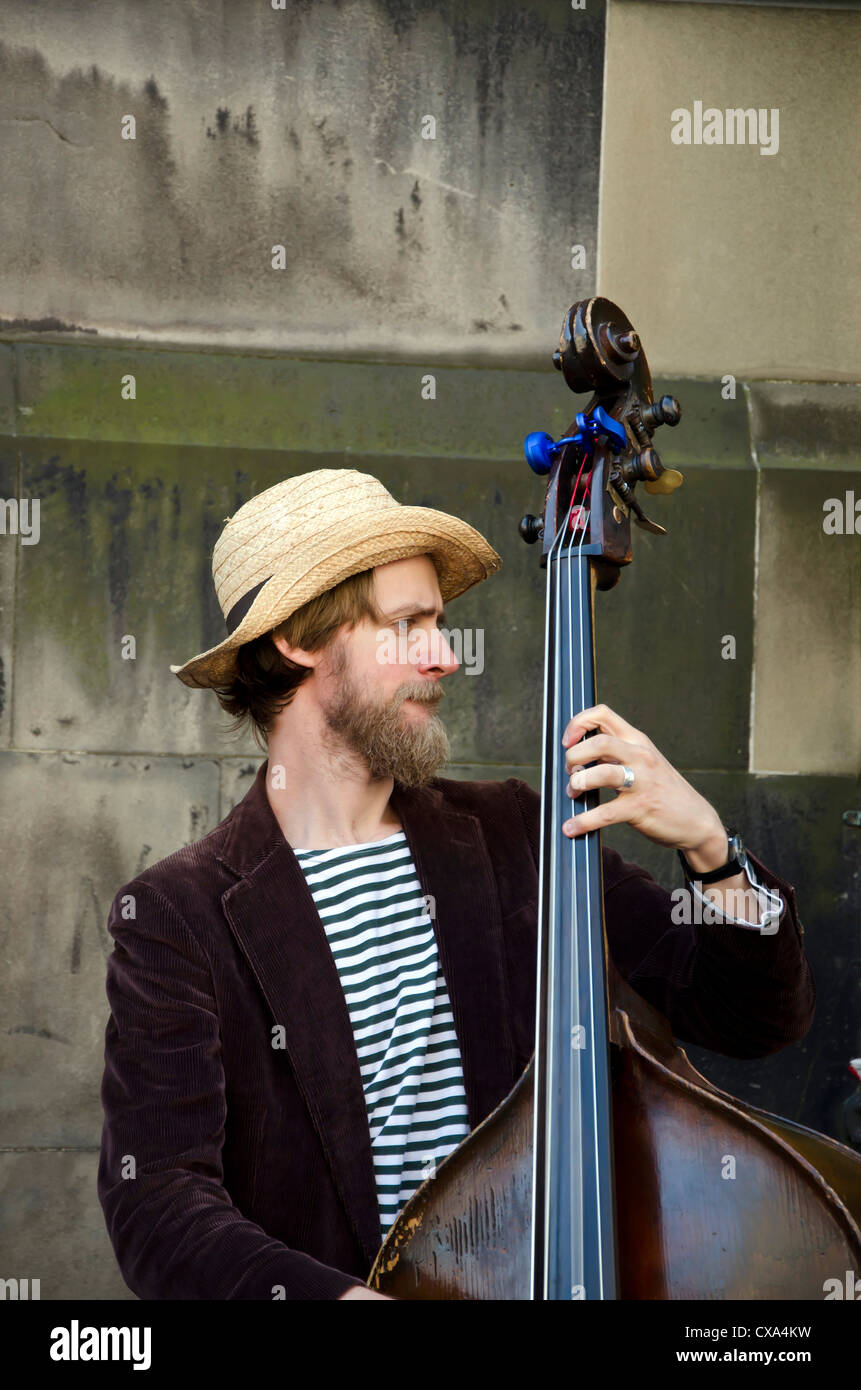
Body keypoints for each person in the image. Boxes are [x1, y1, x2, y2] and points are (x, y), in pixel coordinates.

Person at [97, 469, 815, 1301]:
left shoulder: (515, 834)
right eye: (406, 624)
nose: (444, 655)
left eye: (439, 622)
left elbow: (753, 1016)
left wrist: (710, 849)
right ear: (297, 638)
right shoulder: (177, 918)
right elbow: (158, 1201)